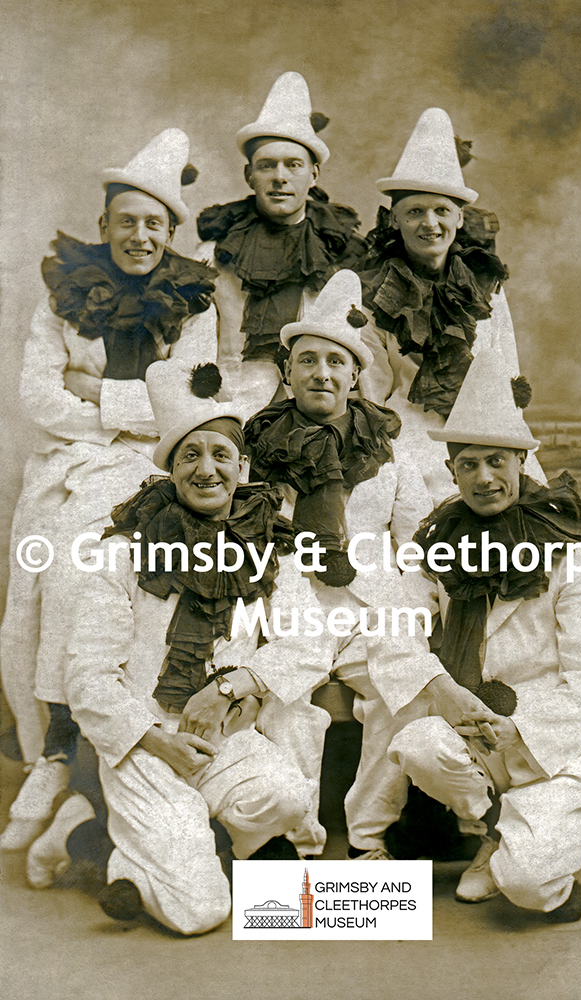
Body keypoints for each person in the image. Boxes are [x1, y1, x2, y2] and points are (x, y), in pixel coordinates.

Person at [27, 360, 315, 935]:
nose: (206, 470)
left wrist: (235, 685)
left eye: (220, 455)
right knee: (198, 912)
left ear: (243, 467)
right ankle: (95, 844)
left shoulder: (268, 545)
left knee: (287, 799)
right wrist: (157, 741)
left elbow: (310, 639)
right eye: (190, 455)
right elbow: (88, 676)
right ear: (170, 468)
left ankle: (137, 838)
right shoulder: (122, 551)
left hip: (222, 734)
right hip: (146, 739)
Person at [0, 129, 218, 850]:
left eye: (154, 223)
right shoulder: (64, 295)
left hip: (150, 466)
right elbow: (37, 396)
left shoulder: (193, 303)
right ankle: (52, 750)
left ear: (169, 232)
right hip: (67, 463)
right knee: (39, 580)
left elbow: (183, 404)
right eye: (126, 220)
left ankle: (82, 747)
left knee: (90, 574)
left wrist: (96, 390)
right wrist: (126, 402)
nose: (139, 234)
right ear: (104, 227)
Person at [244, 269, 489, 859]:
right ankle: (296, 839)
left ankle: (368, 837)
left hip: (371, 599)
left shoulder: (390, 449)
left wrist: (413, 605)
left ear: (356, 375)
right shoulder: (257, 446)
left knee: (396, 692)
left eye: (335, 361)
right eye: (307, 361)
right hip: (290, 595)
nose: (321, 373)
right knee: (283, 697)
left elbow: (414, 543)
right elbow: (244, 536)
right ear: (287, 373)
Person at [388, 348, 581, 922]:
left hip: (548, 744)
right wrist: (441, 689)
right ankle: (490, 827)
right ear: (453, 472)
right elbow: (392, 628)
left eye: (497, 461)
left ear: (521, 463)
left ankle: (527, 847)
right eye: (468, 464)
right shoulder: (440, 545)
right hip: (471, 723)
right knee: (418, 743)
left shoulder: (568, 555)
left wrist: (516, 730)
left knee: (530, 889)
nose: (484, 478)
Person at [357, 107, 539, 502]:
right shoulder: (376, 295)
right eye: (415, 211)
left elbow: (505, 366)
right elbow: (372, 393)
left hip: (486, 433)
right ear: (394, 220)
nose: (430, 224)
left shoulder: (485, 285)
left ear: (459, 217)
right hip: (407, 436)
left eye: (441, 210)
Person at [195, 71, 366, 418]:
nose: (280, 177)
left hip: (316, 413)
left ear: (314, 174)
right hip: (232, 407)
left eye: (293, 165)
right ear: (249, 175)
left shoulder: (340, 258)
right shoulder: (214, 257)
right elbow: (191, 354)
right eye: (267, 165)